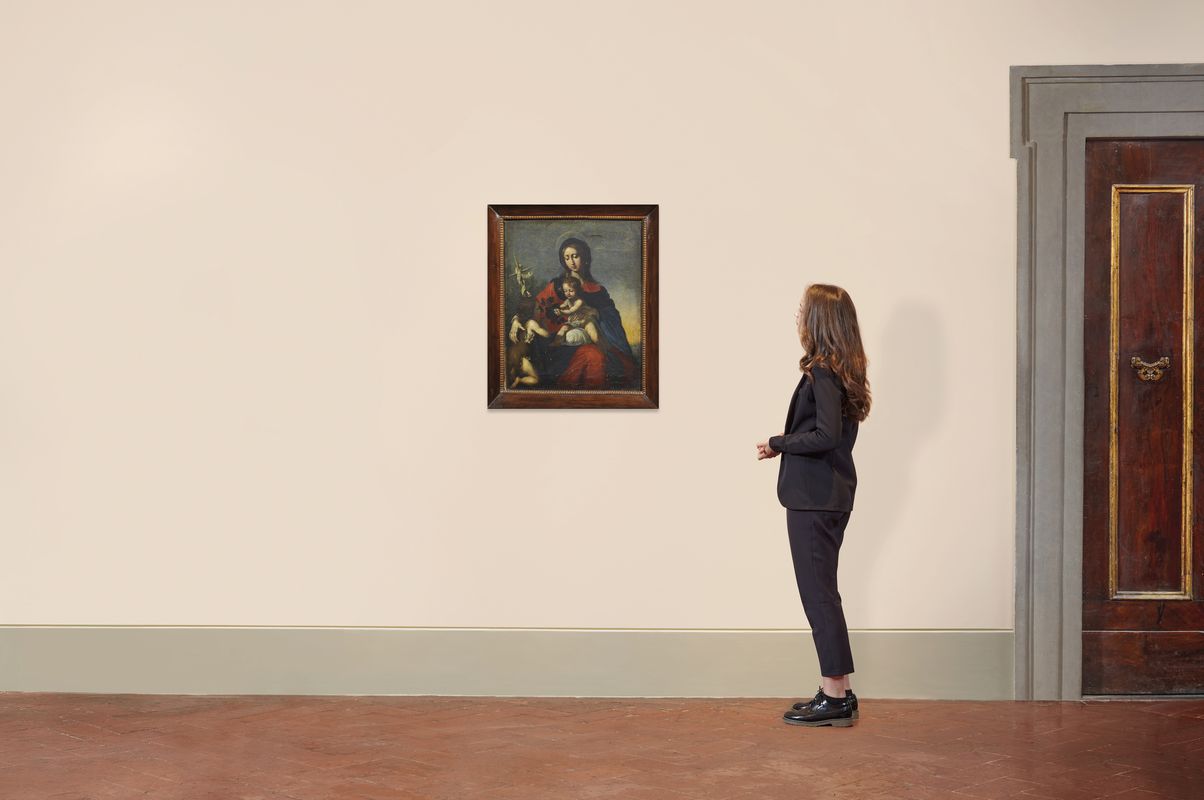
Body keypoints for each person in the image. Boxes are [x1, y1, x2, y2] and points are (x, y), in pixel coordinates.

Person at [756, 284, 871, 728]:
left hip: (813, 499)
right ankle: (838, 692)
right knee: (824, 593)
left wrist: (778, 442)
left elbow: (826, 436)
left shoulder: (822, 372)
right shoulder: (843, 371)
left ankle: (835, 695)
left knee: (818, 596)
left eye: (803, 308)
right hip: (831, 495)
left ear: (819, 320)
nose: (797, 314)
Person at [525, 237, 638, 389]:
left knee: (606, 359)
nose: (571, 262)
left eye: (575, 256)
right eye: (567, 258)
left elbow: (612, 318)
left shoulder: (598, 290)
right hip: (562, 345)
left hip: (593, 339)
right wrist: (518, 320)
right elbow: (538, 307)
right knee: (592, 355)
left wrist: (596, 312)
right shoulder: (557, 286)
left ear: (584, 257)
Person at [552, 275, 600, 346]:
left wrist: (561, 312)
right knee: (564, 328)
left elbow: (572, 311)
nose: (568, 293)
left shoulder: (579, 301)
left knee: (594, 335)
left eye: (571, 291)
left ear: (577, 290)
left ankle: (602, 347)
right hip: (574, 322)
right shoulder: (567, 300)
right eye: (565, 291)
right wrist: (557, 308)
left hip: (585, 320)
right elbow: (562, 306)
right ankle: (556, 343)